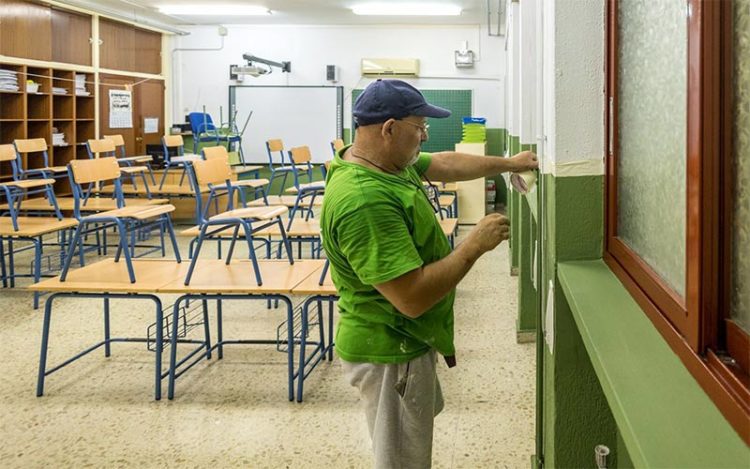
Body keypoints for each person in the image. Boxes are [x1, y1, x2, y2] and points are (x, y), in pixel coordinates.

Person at [320, 79, 538, 469]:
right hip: (390, 349)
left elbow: (445, 163)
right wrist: (474, 245)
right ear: (388, 129)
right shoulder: (365, 199)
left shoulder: (386, 163)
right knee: (402, 460)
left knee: (408, 449)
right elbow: (412, 299)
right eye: (419, 127)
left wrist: (510, 164)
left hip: (406, 343)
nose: (424, 136)